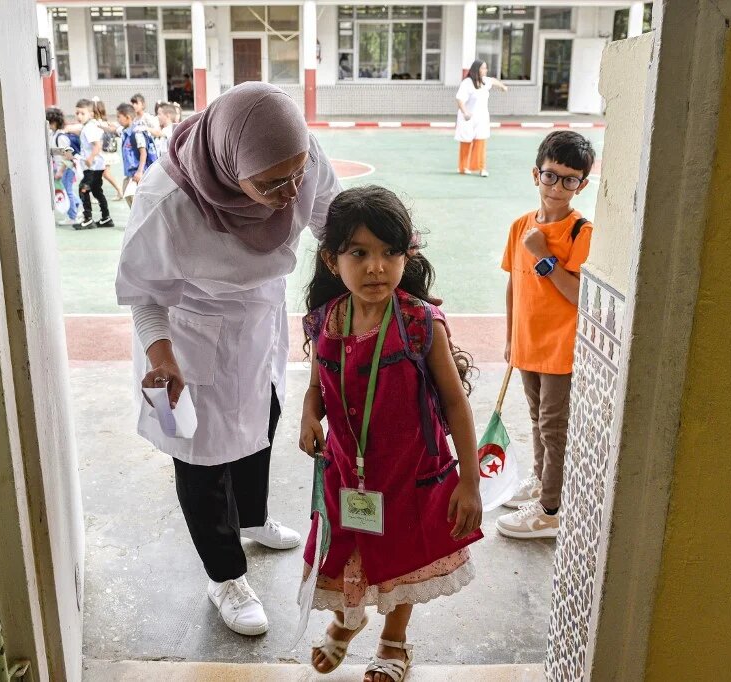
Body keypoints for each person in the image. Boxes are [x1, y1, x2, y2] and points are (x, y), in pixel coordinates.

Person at [114, 82, 342, 637]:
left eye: (296, 173)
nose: (291, 191)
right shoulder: (168, 201)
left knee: (261, 421)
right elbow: (144, 294)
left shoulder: (299, 156)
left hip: (260, 318)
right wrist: (162, 355)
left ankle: (255, 518)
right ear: (229, 164)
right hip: (190, 335)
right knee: (201, 457)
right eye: (271, 184)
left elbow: (333, 221)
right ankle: (225, 576)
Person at [298, 186, 483, 682]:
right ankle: (345, 623)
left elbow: (455, 403)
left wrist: (470, 481)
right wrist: (307, 415)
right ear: (332, 260)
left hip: (412, 473)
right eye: (359, 253)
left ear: (407, 256)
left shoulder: (422, 324)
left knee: (404, 558)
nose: (376, 267)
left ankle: (393, 641)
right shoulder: (326, 321)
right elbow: (316, 384)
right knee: (349, 553)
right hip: (347, 473)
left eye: (389, 253)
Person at [496, 130, 596, 539]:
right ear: (535, 175)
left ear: (582, 185)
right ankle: (541, 482)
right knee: (537, 420)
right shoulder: (521, 225)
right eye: (551, 176)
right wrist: (510, 336)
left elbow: (578, 295)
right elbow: (513, 286)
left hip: (560, 349)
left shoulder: (580, 232)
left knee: (554, 428)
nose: (558, 187)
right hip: (528, 343)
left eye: (570, 179)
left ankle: (551, 511)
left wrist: (544, 255)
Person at [455, 60, 508, 177]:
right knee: (466, 142)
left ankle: (481, 168)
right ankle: (463, 167)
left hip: (482, 117)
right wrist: (465, 112)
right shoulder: (467, 83)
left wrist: (502, 86)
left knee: (481, 141)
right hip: (467, 117)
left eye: (486, 68)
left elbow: (493, 80)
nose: (485, 70)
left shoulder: (485, 81)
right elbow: (459, 99)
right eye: (483, 68)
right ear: (476, 69)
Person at [74, 99, 112, 229]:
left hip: (93, 166)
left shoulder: (89, 128)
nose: (79, 116)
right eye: (77, 113)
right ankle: (106, 217)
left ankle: (88, 218)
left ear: (90, 114)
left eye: (82, 113)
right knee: (97, 191)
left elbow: (97, 145)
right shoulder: (89, 126)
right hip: (96, 166)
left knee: (83, 188)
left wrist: (90, 158)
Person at [45, 107, 80, 225]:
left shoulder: (61, 137)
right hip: (64, 168)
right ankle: (76, 206)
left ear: (53, 122)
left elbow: (67, 156)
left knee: (67, 191)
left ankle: (72, 216)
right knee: (67, 190)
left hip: (66, 168)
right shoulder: (55, 135)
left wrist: (60, 170)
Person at [116, 102, 156, 194]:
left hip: (138, 174)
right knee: (128, 197)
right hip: (130, 174)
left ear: (128, 117)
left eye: (119, 117)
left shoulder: (137, 132)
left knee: (139, 202)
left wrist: (139, 171)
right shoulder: (125, 132)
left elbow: (143, 152)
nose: (118, 119)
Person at [90, 98, 125, 201]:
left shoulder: (97, 123)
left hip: (101, 152)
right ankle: (97, 194)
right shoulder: (104, 122)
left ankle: (119, 190)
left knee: (103, 173)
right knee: (99, 174)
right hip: (103, 151)